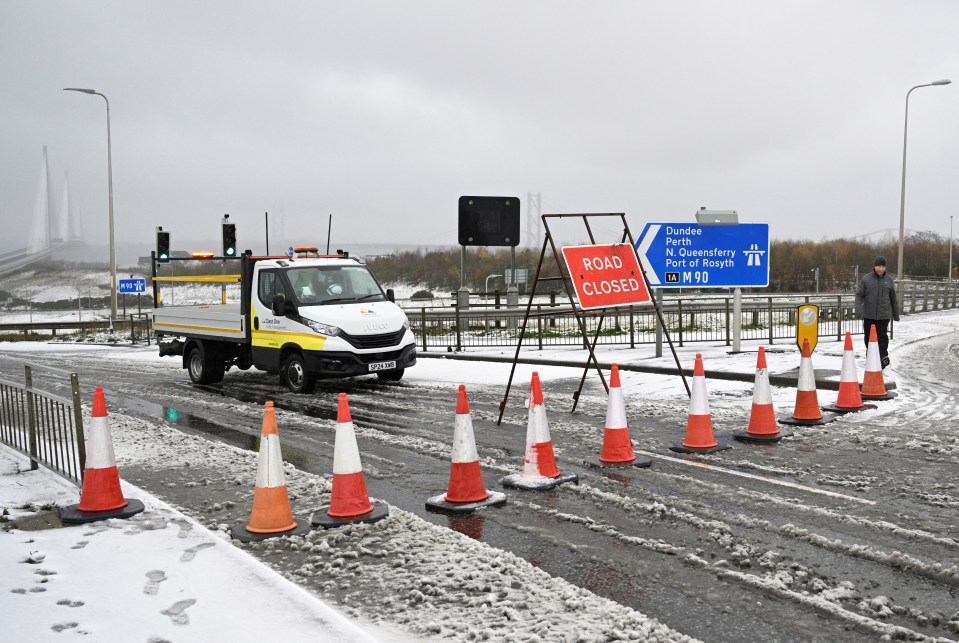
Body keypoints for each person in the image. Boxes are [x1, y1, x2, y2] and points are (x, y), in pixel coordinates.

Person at [855, 256, 899, 369]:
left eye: (883, 267)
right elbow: (859, 295)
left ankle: (883, 357)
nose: (881, 269)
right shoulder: (866, 279)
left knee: (882, 337)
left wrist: (896, 314)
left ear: (885, 268)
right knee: (868, 338)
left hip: (883, 315)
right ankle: (870, 358)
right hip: (869, 315)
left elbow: (893, 298)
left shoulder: (888, 280)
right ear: (874, 267)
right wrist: (858, 310)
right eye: (879, 266)